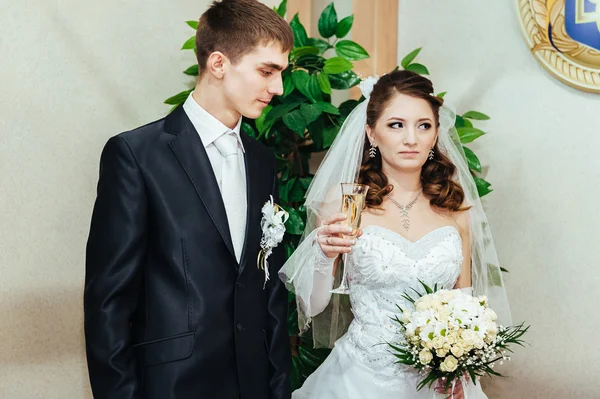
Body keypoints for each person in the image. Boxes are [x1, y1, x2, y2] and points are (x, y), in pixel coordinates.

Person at [84, 1, 293, 398]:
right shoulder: (136, 155)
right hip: (171, 386)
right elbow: (108, 302)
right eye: (267, 71)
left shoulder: (263, 162)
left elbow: (269, 288)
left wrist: (278, 385)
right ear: (218, 64)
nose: (278, 88)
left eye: (281, 73)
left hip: (254, 384)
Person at [280, 70, 512, 399]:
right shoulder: (346, 200)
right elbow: (313, 305)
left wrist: (462, 369)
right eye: (396, 124)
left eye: (423, 125)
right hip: (360, 379)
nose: (411, 139)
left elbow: (464, 302)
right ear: (371, 133)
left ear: (435, 135)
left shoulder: (455, 206)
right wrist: (324, 254)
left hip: (438, 383)